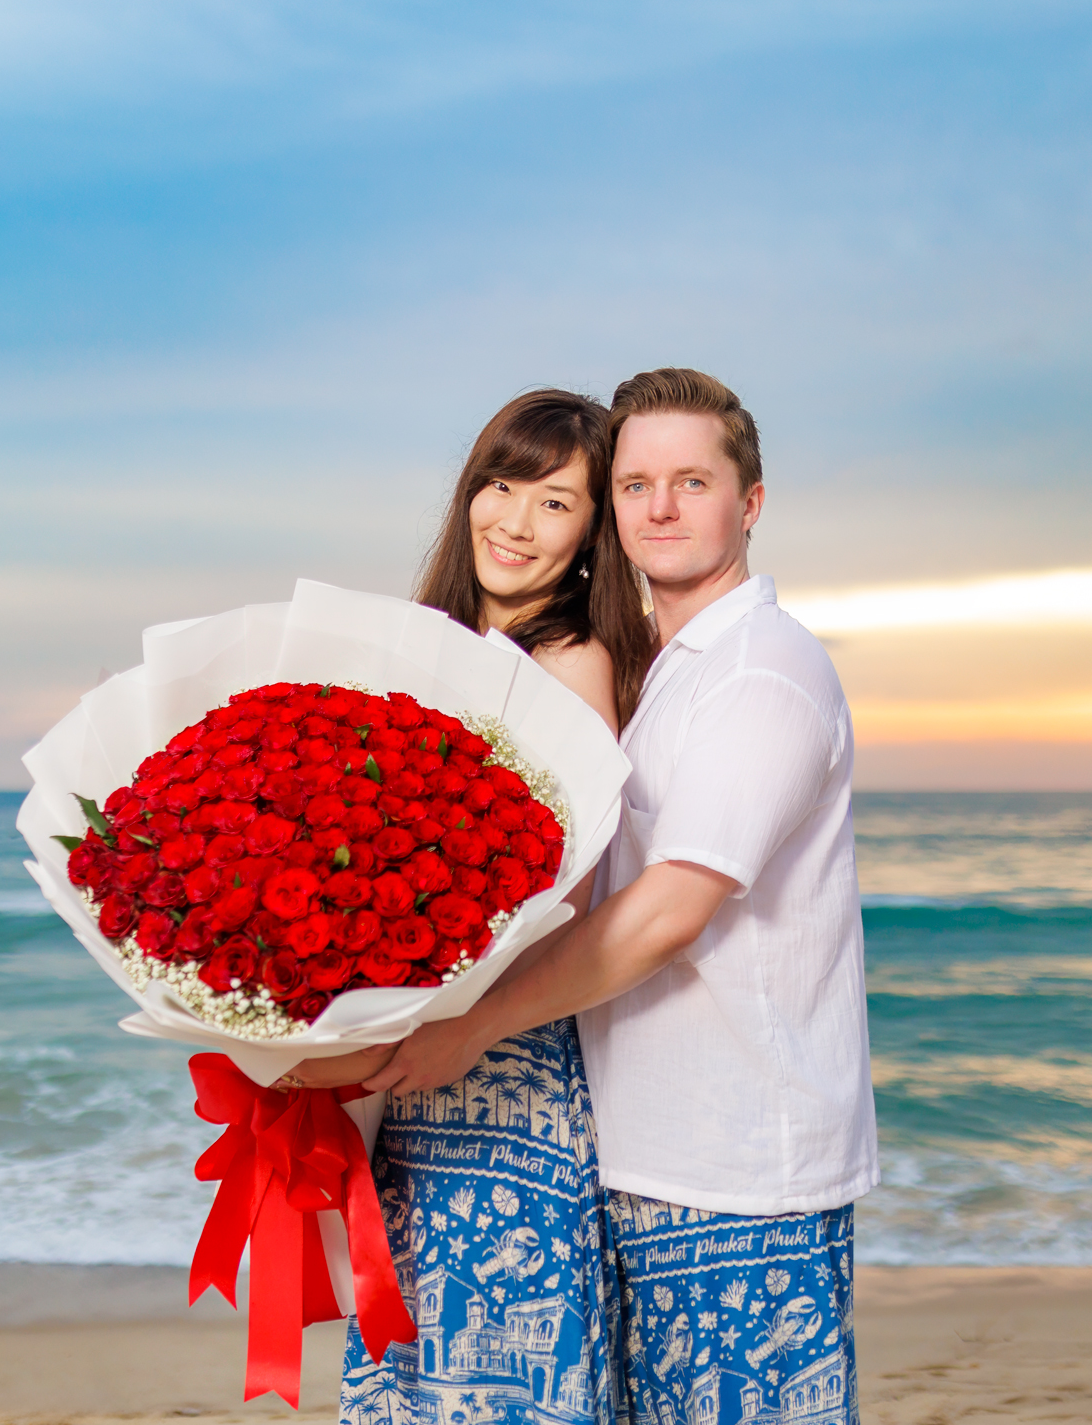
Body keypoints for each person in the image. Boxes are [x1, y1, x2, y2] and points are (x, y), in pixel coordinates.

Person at [370, 369, 878, 1425]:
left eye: (691, 480)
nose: (660, 506)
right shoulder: (674, 673)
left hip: (743, 1172)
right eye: (638, 482)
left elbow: (671, 904)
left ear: (751, 500)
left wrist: (474, 1025)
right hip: (646, 1151)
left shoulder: (761, 673)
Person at [293, 388, 655, 1425]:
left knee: (505, 1369)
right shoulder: (413, 646)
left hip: (508, 1060)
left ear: (592, 537)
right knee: (406, 1365)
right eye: (503, 486)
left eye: (556, 503)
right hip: (409, 1071)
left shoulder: (572, 660)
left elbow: (566, 888)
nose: (516, 521)